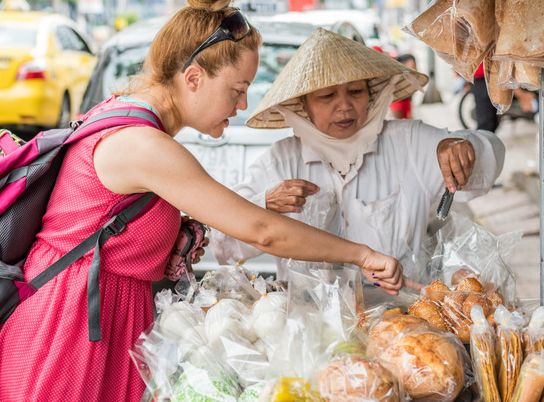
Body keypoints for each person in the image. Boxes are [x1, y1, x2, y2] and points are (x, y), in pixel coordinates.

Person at [0, 0, 405, 402]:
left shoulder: (126, 117)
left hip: (97, 321)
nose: (242, 106)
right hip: (69, 332)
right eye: (238, 90)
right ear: (194, 78)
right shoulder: (144, 145)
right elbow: (263, 232)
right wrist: (361, 254)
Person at [209, 29, 505, 284]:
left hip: (401, 324)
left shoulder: (409, 142)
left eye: (355, 91)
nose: (345, 107)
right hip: (310, 329)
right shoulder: (279, 163)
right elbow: (223, 247)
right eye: (326, 96)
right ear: (303, 105)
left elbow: (489, 161)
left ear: (371, 96)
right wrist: (264, 206)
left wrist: (464, 146)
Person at [471, 61, 500, 132]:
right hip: (482, 77)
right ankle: (480, 142)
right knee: (485, 124)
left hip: (492, 74)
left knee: (492, 122)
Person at [390, 53, 417, 119]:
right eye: (413, 67)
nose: (416, 69)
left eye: (415, 66)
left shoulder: (408, 85)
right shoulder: (397, 92)